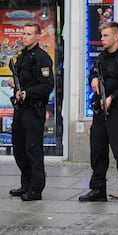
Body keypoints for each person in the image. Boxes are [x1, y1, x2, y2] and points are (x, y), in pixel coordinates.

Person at [78, 21, 118, 206]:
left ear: (116, 36)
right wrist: (93, 79)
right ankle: (98, 188)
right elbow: (92, 73)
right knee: (97, 151)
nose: (102, 39)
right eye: (101, 35)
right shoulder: (101, 58)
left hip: (116, 113)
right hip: (99, 112)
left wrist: (113, 97)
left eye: (105, 36)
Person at [8, 22, 54, 201]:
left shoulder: (42, 58)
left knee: (33, 149)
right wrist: (14, 82)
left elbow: (47, 85)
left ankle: (36, 188)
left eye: (28, 34)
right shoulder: (22, 56)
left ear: (37, 36)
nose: (24, 37)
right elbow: (21, 78)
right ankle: (25, 183)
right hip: (21, 108)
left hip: (34, 109)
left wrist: (28, 92)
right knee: (19, 148)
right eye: (23, 33)